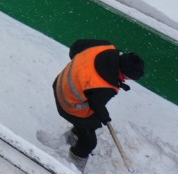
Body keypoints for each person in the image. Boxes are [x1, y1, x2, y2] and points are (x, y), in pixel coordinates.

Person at [53, 39, 145, 169]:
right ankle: (73, 166)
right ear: (123, 72)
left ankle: (73, 137)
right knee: (89, 142)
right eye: (128, 77)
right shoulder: (105, 85)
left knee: (91, 124)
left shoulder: (104, 46)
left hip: (60, 82)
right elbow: (96, 104)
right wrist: (105, 117)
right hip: (68, 103)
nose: (126, 80)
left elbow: (76, 47)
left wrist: (79, 69)